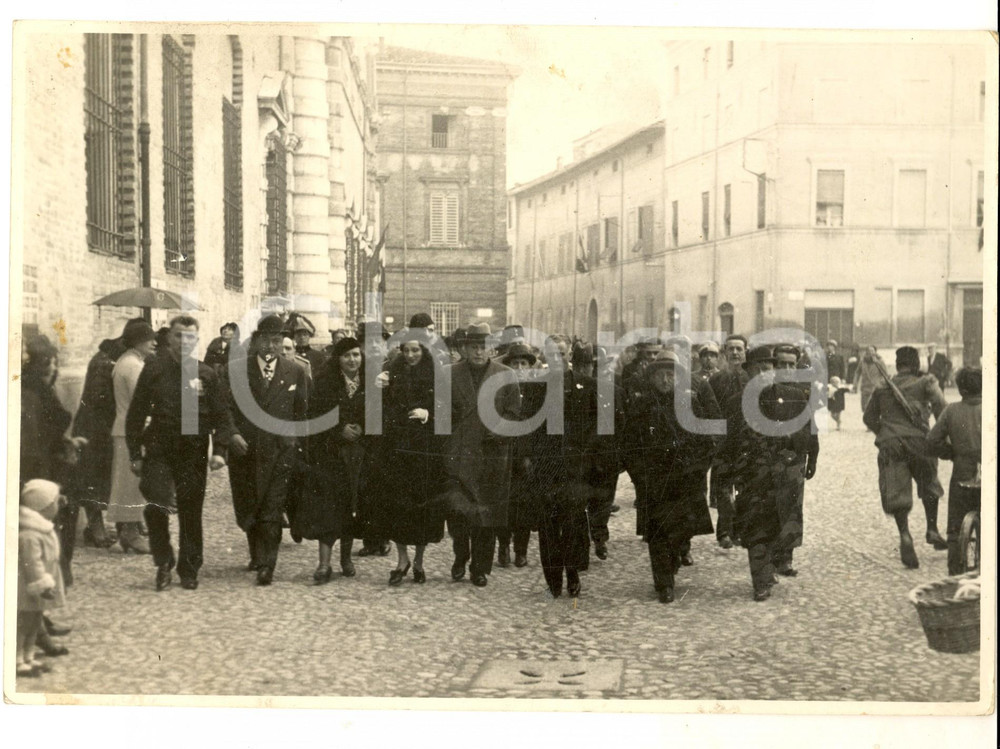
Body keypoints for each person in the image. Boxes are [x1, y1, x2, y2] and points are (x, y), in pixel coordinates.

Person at [126, 315, 232, 591]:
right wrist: (134, 453)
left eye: (190, 337)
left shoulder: (206, 374)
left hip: (193, 450)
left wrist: (219, 451)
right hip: (159, 448)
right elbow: (135, 414)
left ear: (196, 340)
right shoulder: (153, 370)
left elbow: (222, 416)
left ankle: (189, 568)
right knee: (156, 503)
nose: (184, 342)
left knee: (190, 509)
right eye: (178, 336)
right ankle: (163, 560)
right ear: (169, 339)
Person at [722, 346, 818, 601]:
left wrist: (808, 453)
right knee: (755, 526)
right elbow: (726, 444)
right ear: (749, 373)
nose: (763, 374)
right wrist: (725, 479)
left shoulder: (795, 397)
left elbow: (808, 430)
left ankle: (775, 564)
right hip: (751, 475)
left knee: (781, 522)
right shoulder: (736, 403)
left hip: (785, 475)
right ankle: (761, 580)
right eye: (757, 370)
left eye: (768, 369)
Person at [623, 350, 718, 603]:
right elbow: (629, 446)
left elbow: (707, 441)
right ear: (651, 378)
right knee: (657, 533)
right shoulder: (641, 407)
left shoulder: (690, 404)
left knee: (681, 528)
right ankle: (663, 582)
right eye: (660, 375)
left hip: (685, 479)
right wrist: (639, 476)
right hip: (654, 481)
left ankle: (674, 561)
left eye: (670, 375)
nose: (665, 380)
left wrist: (699, 469)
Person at [223, 315, 309, 586]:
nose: (271, 346)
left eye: (277, 341)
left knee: (272, 506)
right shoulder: (237, 371)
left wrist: (296, 443)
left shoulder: (294, 370)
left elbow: (301, 412)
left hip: (280, 451)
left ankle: (267, 564)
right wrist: (232, 434)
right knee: (248, 503)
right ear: (257, 340)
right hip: (245, 449)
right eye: (266, 340)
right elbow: (224, 409)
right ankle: (256, 553)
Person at [441, 323, 521, 587]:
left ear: (492, 348)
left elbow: (513, 414)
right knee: (459, 513)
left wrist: (497, 431)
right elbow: (441, 414)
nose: (478, 351)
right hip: (459, 455)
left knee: (486, 515)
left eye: (484, 346)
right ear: (464, 348)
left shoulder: (506, 375)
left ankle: (480, 568)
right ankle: (460, 556)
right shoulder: (449, 374)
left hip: (492, 456)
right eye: (474, 346)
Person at [293, 337, 374, 582]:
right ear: (338, 359)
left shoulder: (370, 384)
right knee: (328, 507)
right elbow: (316, 416)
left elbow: (378, 414)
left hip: (359, 454)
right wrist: (339, 430)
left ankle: (345, 558)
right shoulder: (325, 383)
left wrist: (363, 428)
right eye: (347, 356)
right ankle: (324, 563)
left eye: (356, 355)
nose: (352, 360)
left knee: (352, 505)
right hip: (331, 454)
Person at [862, 345, 948, 569]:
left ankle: (905, 535)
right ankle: (932, 529)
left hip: (892, 444)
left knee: (897, 492)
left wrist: (886, 432)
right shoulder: (926, 382)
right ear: (917, 363)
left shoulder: (882, 386)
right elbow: (942, 408)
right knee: (929, 484)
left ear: (898, 365)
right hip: (921, 442)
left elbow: (868, 417)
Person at [377, 332, 446, 585]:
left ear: (424, 351)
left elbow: (448, 408)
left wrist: (428, 414)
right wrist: (381, 389)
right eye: (406, 350)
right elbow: (382, 409)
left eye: (415, 350)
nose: (410, 355)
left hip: (425, 450)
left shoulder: (437, 374)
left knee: (422, 507)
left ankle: (418, 561)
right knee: (398, 506)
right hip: (398, 449)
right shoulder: (392, 373)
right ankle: (402, 559)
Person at [71, 320, 147, 550]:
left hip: (111, 424)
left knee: (114, 478)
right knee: (93, 477)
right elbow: (99, 398)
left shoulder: (126, 358)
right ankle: (95, 527)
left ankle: (126, 525)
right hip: (94, 427)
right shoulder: (105, 361)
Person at [20, 335, 88, 587]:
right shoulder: (31, 394)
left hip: (51, 469)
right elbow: (34, 443)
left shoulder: (40, 390)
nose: (54, 368)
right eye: (50, 363)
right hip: (44, 474)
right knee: (46, 534)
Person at [769, 343, 820, 577]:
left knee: (792, 507)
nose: (787, 368)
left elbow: (811, 427)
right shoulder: (765, 393)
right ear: (774, 365)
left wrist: (813, 457)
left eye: (792, 364)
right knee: (769, 506)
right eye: (782, 364)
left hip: (795, 459)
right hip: (770, 460)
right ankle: (769, 555)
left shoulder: (802, 393)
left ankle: (786, 558)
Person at [107, 321, 158, 554]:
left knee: (128, 481)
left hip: (124, 428)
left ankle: (127, 532)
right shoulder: (133, 365)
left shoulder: (127, 361)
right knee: (131, 483)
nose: (154, 343)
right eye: (150, 339)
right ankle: (130, 534)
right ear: (138, 341)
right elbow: (144, 398)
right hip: (131, 430)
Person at [927, 368, 982, 574]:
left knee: (955, 530)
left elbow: (931, 442)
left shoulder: (951, 411)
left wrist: (951, 453)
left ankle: (954, 577)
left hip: (961, 476)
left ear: (961, 389)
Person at [496, 343, 543, 569]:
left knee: (523, 504)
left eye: (524, 363)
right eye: (515, 363)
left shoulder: (537, 391)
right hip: (503, 451)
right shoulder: (500, 389)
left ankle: (521, 550)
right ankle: (503, 545)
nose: (519, 367)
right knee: (503, 502)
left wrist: (530, 454)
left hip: (527, 456)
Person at [17, 480, 67, 678]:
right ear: (44, 507)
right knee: (24, 624)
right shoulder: (30, 534)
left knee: (35, 622)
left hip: (38, 589)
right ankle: (18, 659)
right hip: (30, 587)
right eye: (55, 502)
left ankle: (29, 657)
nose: (58, 505)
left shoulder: (42, 527)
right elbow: (32, 563)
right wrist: (42, 583)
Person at [707, 334, 749, 548]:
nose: (735, 353)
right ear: (724, 353)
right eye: (731, 349)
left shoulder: (751, 379)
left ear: (745, 352)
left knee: (743, 487)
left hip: (745, 442)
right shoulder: (716, 380)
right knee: (723, 490)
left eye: (739, 349)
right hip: (723, 443)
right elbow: (708, 410)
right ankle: (723, 532)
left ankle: (738, 530)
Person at [853, 345, 885, 414]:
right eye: (869, 351)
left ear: (875, 352)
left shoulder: (880, 361)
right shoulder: (863, 361)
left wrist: (880, 384)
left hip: (875, 388)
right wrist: (855, 384)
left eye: (872, 351)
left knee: (874, 408)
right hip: (865, 387)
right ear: (866, 352)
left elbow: (885, 375)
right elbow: (857, 373)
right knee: (864, 408)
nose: (870, 352)